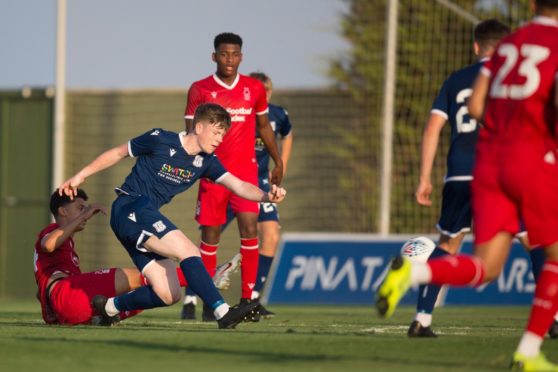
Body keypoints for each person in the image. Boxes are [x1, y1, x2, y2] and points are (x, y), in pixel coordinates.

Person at [376, 1, 558, 369]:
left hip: (488, 164)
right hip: (530, 160)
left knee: (487, 266)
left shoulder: (509, 46)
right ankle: (529, 347)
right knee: (549, 251)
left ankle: (416, 272)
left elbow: (476, 106)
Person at [59, 103, 287, 329]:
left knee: (169, 294)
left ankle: (109, 307)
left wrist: (268, 196)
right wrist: (80, 176)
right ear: (198, 127)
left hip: (143, 217)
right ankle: (222, 312)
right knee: (188, 251)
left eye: (223, 134)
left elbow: (239, 186)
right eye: (216, 132)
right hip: (130, 206)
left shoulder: (207, 161)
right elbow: (118, 153)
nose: (220, 139)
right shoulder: (160, 138)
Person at [409, 19, 512, 337]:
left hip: (458, 173)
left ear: (476, 46)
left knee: (449, 244)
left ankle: (422, 319)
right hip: (499, 172)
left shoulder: (455, 80)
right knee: (536, 239)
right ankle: (554, 319)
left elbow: (432, 129)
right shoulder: (511, 79)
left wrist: (424, 177)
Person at [182, 33, 284, 321]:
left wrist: (277, 160)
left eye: (235, 54)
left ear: (241, 57)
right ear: (214, 56)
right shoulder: (200, 89)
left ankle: (247, 300)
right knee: (210, 236)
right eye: (224, 54)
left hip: (246, 174)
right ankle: (208, 301)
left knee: (250, 232)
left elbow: (264, 128)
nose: (229, 59)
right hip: (212, 175)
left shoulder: (254, 88)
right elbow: (191, 132)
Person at [35, 188, 237, 326]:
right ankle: (210, 275)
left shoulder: (65, 243)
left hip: (67, 313)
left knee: (150, 294)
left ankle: (105, 315)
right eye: (80, 208)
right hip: (66, 295)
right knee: (137, 276)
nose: (86, 213)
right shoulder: (52, 230)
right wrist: (84, 216)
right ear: (62, 211)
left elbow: (41, 289)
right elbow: (48, 244)